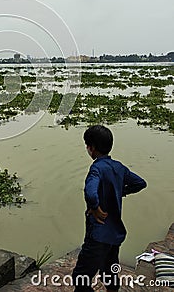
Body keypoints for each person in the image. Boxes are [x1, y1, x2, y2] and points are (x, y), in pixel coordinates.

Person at [72, 125, 147, 292]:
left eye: (87, 146)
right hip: (115, 234)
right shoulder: (118, 167)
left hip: (98, 235)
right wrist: (120, 192)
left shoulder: (96, 169)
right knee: (110, 272)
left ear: (91, 148)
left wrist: (95, 207)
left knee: (81, 276)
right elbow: (140, 183)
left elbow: (91, 193)